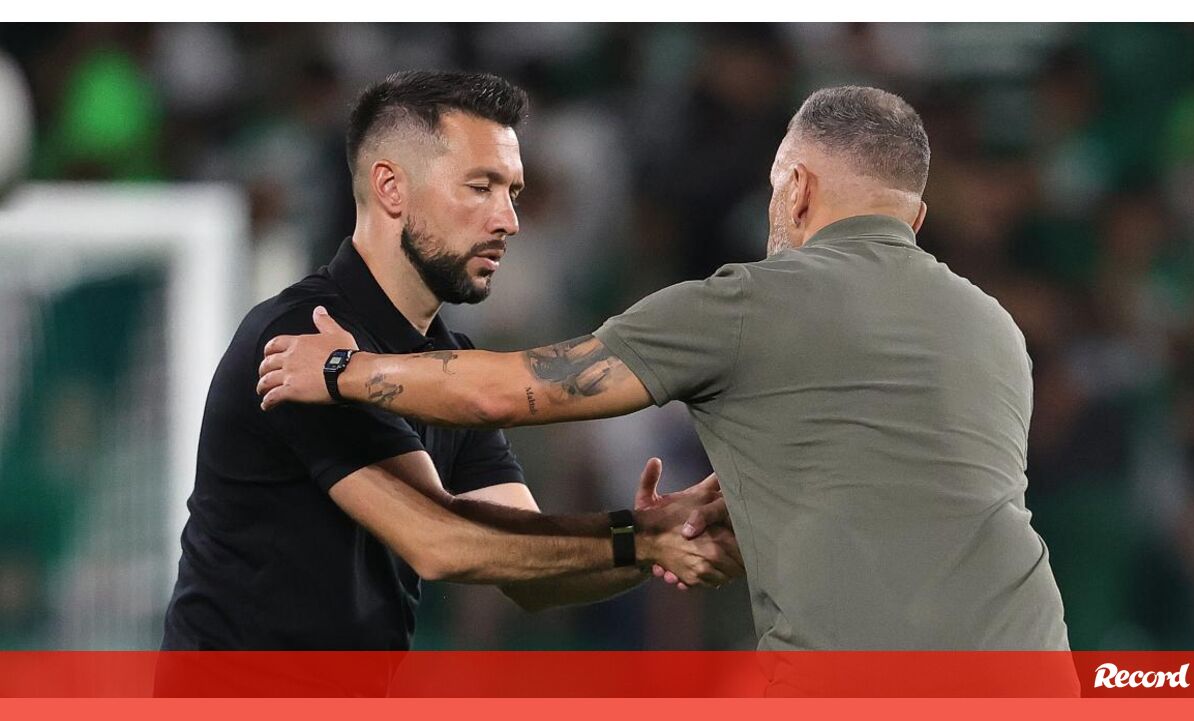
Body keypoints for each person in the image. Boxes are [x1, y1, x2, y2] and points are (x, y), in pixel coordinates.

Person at [258, 86, 1073, 655]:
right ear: (915, 216)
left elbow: (505, 389)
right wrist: (688, 526)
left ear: (796, 189)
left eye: (774, 187)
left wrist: (341, 368)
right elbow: (912, 499)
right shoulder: (994, 327)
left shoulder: (752, 302)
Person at [161, 70, 742, 674]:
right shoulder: (306, 340)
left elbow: (532, 573)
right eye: (480, 187)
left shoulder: (446, 364)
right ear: (391, 187)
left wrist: (658, 538)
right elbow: (439, 541)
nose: (508, 220)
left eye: (512, 192)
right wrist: (639, 538)